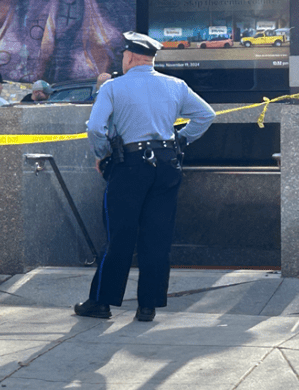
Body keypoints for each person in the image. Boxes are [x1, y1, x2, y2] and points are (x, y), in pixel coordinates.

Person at [75, 31, 215, 322]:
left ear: (129, 57)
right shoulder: (176, 85)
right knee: (158, 236)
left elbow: (95, 129)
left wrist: (102, 155)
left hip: (129, 166)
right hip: (166, 166)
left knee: (120, 236)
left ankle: (101, 302)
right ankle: (147, 307)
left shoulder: (113, 87)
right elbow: (206, 115)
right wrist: (180, 140)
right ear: (150, 59)